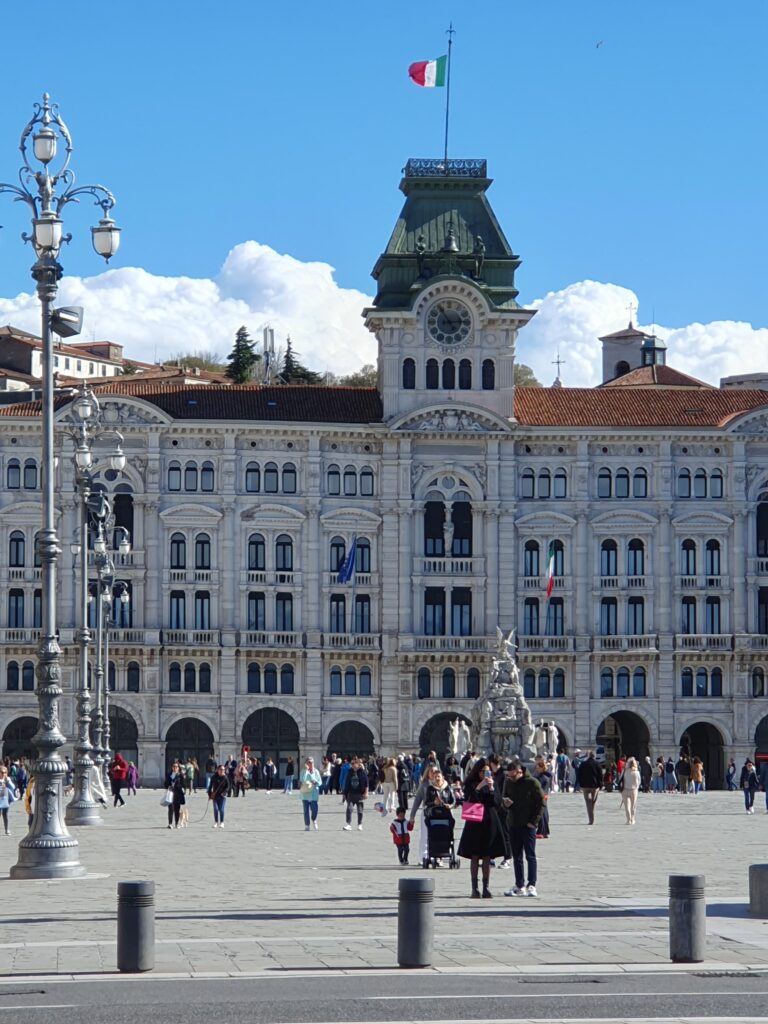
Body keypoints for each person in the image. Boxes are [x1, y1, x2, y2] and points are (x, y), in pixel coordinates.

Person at [457, 757, 506, 899]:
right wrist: (479, 787)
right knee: (475, 855)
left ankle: (486, 887)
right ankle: (474, 888)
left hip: (489, 821)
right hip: (475, 822)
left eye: (488, 772)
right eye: (483, 772)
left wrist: (491, 789)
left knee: (487, 855)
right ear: (477, 772)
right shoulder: (471, 784)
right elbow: (469, 800)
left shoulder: (493, 783)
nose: (486, 775)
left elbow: (496, 803)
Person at [502, 759, 544, 897]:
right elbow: (503, 799)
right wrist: (505, 804)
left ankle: (532, 884)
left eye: (513, 776)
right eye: (509, 776)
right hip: (513, 823)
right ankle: (520, 884)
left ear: (520, 772)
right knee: (517, 857)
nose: (511, 778)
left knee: (530, 856)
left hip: (528, 825)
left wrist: (534, 822)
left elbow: (541, 803)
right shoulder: (508, 783)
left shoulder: (532, 783)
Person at [577, 750, 603, 825]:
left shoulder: (583, 764)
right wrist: (600, 785)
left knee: (588, 802)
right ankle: (592, 818)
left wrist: (581, 784)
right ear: (594, 756)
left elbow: (579, 775)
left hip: (585, 786)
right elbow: (600, 776)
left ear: (588, 756)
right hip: (595, 786)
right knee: (593, 802)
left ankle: (590, 819)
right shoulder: (597, 764)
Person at [342, 756, 368, 831]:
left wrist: (366, 793)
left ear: (358, 764)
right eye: (352, 763)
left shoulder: (362, 772)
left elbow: (366, 783)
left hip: (360, 794)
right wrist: (344, 794)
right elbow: (347, 783)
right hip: (351, 794)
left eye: (354, 763)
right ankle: (348, 824)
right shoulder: (349, 772)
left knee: (360, 810)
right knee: (349, 809)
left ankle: (360, 824)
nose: (353, 765)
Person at [300, 756, 322, 830]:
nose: (311, 763)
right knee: (306, 810)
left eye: (312, 762)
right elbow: (302, 780)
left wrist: (315, 782)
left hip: (314, 794)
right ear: (306, 763)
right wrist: (306, 771)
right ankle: (307, 825)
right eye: (309, 762)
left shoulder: (316, 771)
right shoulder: (303, 771)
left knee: (315, 810)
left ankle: (314, 819)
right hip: (305, 794)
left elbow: (320, 782)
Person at [532, 756, 552, 838]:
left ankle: (542, 831)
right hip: (545, 795)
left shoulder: (542, 777)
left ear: (541, 768)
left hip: (541, 796)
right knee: (544, 813)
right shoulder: (546, 776)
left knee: (541, 814)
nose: (537, 769)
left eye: (538, 768)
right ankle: (545, 831)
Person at [620, 756, 641, 824]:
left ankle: (628, 820)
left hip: (625, 790)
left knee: (627, 806)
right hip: (633, 790)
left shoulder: (624, 771)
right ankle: (633, 819)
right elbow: (639, 782)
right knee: (633, 806)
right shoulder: (637, 772)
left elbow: (620, 779)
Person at [165, 760, 186, 828]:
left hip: (178, 794)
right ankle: (170, 823)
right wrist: (168, 786)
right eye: (174, 766)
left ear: (178, 768)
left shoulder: (180, 776)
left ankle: (177, 823)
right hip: (170, 793)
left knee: (177, 809)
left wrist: (179, 786)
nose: (175, 768)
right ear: (172, 768)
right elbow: (165, 783)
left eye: (176, 767)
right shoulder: (169, 775)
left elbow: (183, 784)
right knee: (170, 808)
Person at [0, 765, 18, 835]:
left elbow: (13, 787)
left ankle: (7, 829)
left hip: (5, 799)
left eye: (5, 772)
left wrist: (8, 781)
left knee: (5, 814)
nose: (4, 774)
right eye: (2, 772)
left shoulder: (7, 779)